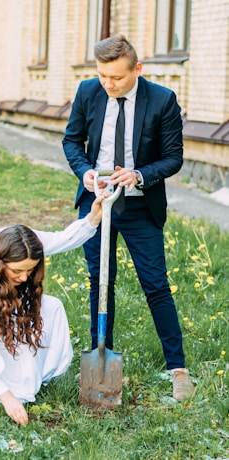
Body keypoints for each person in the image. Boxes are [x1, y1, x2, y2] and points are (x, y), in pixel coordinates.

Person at [62, 34, 194, 401]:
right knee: (99, 282)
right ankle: (98, 361)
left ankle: (178, 369)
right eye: (103, 75)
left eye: (116, 78)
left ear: (137, 68)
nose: (108, 84)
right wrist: (85, 171)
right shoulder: (89, 91)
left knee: (155, 284)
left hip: (138, 206)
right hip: (98, 203)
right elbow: (72, 141)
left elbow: (173, 158)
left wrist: (138, 175)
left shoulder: (162, 100)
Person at [0, 195, 105, 426]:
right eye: (17, 271)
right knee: (3, 373)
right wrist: (7, 397)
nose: (24, 277)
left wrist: (92, 219)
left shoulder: (23, 242)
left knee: (52, 307)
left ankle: (34, 371)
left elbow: (61, 239)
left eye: (30, 270)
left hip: (0, 302)